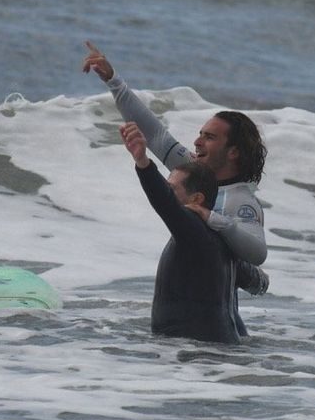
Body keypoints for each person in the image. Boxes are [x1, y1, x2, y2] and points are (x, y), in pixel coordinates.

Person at [83, 41, 268, 331]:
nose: (197, 142)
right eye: (200, 134)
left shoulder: (240, 201)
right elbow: (155, 133)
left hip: (218, 320)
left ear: (233, 152)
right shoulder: (194, 169)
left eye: (209, 137)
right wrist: (113, 80)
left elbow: (257, 253)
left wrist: (211, 217)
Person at [120, 121, 241, 343]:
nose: (167, 191)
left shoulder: (194, 232)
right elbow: (245, 276)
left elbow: (164, 201)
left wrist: (143, 162)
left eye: (172, 188)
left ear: (197, 199)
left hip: (193, 352)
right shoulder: (218, 239)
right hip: (213, 349)